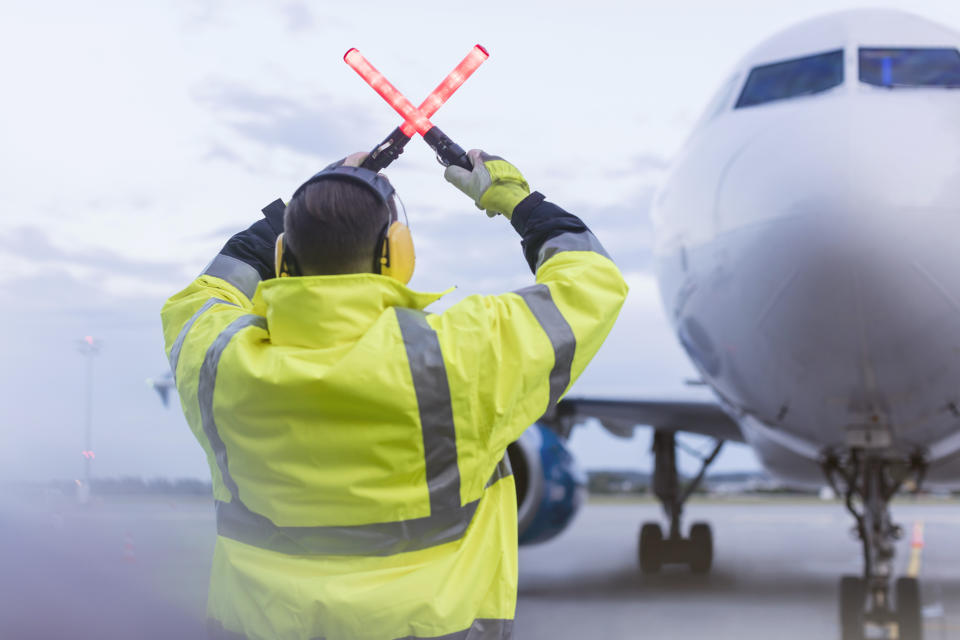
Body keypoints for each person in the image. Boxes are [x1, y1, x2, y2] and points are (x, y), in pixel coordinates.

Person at [161, 149, 628, 640]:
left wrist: (314, 199)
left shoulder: (219, 362)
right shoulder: (463, 357)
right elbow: (591, 279)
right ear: (398, 253)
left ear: (282, 256)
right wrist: (515, 200)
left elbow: (205, 292)